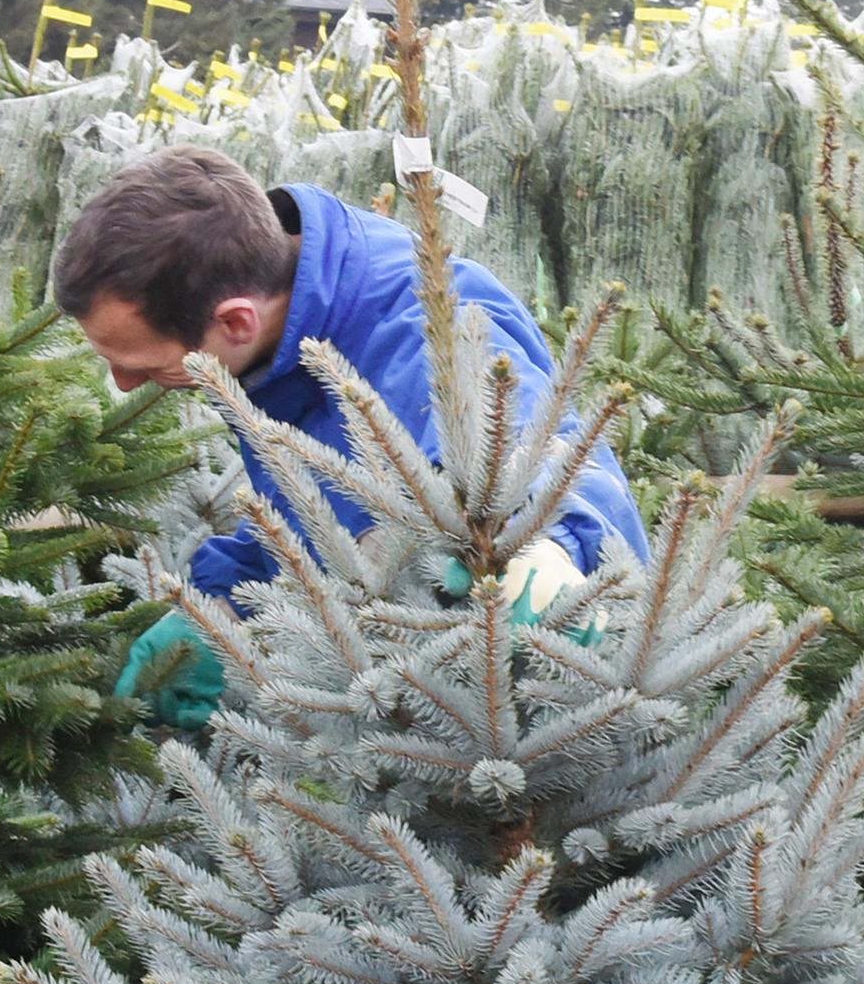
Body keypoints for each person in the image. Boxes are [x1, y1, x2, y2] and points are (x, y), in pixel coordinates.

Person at [56, 146, 650, 728]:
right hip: (403, 711)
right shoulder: (266, 346)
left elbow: (541, 457)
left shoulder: (433, 324)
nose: (126, 383)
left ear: (236, 320)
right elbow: (316, 510)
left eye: (141, 359)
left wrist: (549, 551)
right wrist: (219, 608)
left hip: (560, 701)